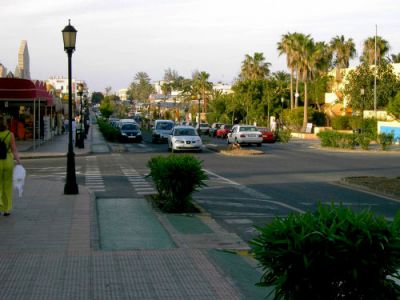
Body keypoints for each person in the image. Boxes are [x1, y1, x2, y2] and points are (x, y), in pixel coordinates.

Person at [0, 115, 21, 216]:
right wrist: (18, 161)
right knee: (7, 185)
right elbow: (14, 149)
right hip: (7, 160)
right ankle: (7, 209)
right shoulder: (10, 134)